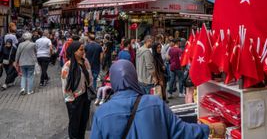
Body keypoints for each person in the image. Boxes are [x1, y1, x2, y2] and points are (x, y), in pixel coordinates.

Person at [90, 60, 219, 139]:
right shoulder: (155, 103)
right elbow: (181, 132)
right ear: (134, 77)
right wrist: (211, 129)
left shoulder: (102, 113)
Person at [61, 41, 93, 139]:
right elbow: (65, 85)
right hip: (73, 99)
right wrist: (71, 101)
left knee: (83, 122)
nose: (83, 52)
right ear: (74, 51)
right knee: (74, 124)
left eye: (84, 49)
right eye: (81, 49)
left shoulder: (85, 61)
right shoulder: (67, 66)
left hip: (85, 96)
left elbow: (90, 77)